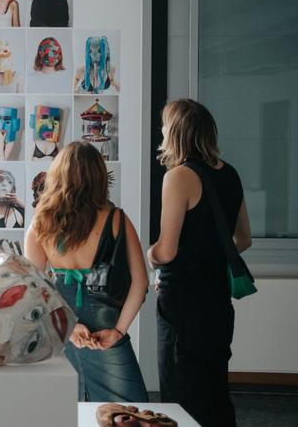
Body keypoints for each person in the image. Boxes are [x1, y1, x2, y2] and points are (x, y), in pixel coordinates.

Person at [148, 99, 250, 427]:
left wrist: (149, 257)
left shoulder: (179, 176)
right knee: (216, 392)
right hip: (218, 300)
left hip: (182, 304)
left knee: (183, 398)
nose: (161, 130)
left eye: (165, 125)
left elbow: (167, 250)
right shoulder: (230, 173)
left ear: (176, 132)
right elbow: (243, 240)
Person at [25, 142, 148, 402]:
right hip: (106, 330)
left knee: (64, 411)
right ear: (99, 176)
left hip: (61, 330)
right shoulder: (116, 219)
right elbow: (140, 283)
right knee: (127, 413)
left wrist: (69, 327)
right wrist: (118, 331)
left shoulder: (41, 222)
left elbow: (33, 291)